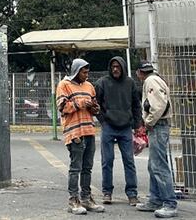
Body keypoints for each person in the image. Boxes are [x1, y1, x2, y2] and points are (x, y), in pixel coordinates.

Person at [56, 58, 105, 215]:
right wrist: (81, 103)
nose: (86, 75)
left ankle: (86, 198)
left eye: (87, 72)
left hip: (89, 130)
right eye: (84, 72)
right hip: (74, 132)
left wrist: (94, 108)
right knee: (75, 168)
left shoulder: (89, 86)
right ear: (76, 71)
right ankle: (73, 200)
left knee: (87, 168)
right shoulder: (64, 85)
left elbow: (95, 107)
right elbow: (62, 107)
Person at [94, 56, 142, 205]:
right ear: (110, 67)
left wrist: (137, 124)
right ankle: (107, 192)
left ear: (123, 67)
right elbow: (95, 104)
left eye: (118, 66)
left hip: (125, 127)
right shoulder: (102, 83)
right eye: (113, 66)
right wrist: (103, 121)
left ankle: (132, 194)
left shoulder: (130, 83)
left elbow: (136, 105)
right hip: (108, 127)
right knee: (107, 161)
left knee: (129, 161)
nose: (115, 69)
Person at [135, 62, 177, 218]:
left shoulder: (150, 81)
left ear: (139, 72)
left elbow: (158, 105)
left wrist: (149, 122)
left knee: (159, 166)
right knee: (154, 165)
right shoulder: (156, 79)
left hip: (158, 126)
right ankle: (155, 199)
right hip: (159, 125)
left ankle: (169, 203)